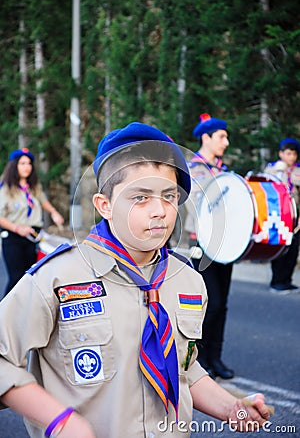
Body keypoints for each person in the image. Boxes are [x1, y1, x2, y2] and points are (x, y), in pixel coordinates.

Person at [0, 123, 270, 438]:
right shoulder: (57, 279)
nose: (160, 211)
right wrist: (62, 421)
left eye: (169, 196)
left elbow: (184, 368)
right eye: (140, 197)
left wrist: (230, 407)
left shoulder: (189, 282)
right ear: (105, 206)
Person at [184, 113, 234, 380]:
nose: (225, 142)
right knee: (209, 302)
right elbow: (199, 202)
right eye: (221, 136)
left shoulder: (224, 172)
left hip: (227, 244)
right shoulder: (194, 170)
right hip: (200, 244)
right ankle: (200, 361)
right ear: (206, 137)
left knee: (223, 303)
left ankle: (216, 358)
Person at [0, 147, 64, 296]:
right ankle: (5, 312)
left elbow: (42, 201)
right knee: (16, 278)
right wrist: (17, 228)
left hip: (32, 236)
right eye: (22, 163)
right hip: (13, 237)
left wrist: (53, 212)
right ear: (14, 166)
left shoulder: (33, 187)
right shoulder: (5, 188)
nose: (26, 167)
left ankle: (25, 314)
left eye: (29, 163)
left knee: (29, 277)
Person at [264, 137, 300, 294]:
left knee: (293, 250)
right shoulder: (272, 169)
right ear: (281, 153)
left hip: (295, 217)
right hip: (278, 216)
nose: (291, 157)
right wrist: (282, 170)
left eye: (294, 154)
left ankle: (287, 280)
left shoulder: (297, 171)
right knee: (280, 249)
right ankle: (276, 281)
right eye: (288, 153)